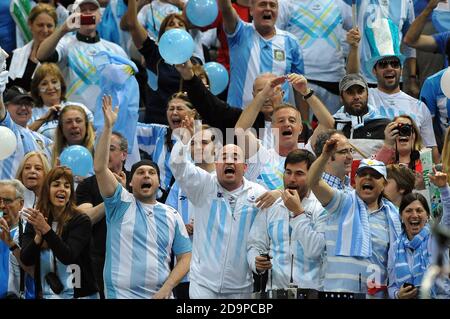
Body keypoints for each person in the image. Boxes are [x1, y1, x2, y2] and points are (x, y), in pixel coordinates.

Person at [94, 95, 191, 299]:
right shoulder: (119, 204)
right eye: (140, 172)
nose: (146, 175)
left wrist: (167, 289)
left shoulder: (171, 214)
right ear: (130, 181)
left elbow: (185, 256)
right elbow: (100, 168)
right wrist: (108, 127)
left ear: (158, 183)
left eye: (151, 173)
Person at [170, 128, 267, 298]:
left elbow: (257, 241)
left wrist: (278, 193)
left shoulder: (258, 194)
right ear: (216, 165)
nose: (229, 162)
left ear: (245, 167)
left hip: (241, 288)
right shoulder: (204, 185)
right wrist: (183, 142)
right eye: (223, 157)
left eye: (235, 158)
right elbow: (178, 167)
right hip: (203, 284)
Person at [307, 138, 402, 297]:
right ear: (355, 180)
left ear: (384, 184)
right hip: (337, 294)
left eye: (375, 175)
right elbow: (313, 181)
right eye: (363, 174)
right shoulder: (342, 202)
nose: (368, 178)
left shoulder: (394, 217)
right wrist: (325, 156)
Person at [347, 27, 438, 162]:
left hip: (408, 174)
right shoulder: (365, 98)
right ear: (374, 71)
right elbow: (352, 78)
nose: (389, 67)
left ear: (401, 69)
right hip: (373, 171)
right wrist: (354, 47)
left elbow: (430, 149)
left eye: (394, 64)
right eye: (383, 64)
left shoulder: (419, 107)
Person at [235, 73, 335, 191]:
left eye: (292, 120)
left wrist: (306, 91)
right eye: (281, 121)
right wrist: (263, 94)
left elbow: (328, 125)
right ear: (272, 128)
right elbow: (241, 130)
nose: (287, 124)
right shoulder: (262, 157)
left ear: (301, 128)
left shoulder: (309, 154)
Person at [247, 149, 327, 290]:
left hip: (312, 292)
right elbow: (254, 245)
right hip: (275, 291)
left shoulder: (322, 208)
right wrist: (256, 262)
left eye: (299, 173)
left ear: (312, 176)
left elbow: (316, 250)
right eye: (288, 172)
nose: (291, 179)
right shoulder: (271, 206)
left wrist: (297, 213)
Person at [20, 166, 99, 299]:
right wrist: (38, 239)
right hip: (46, 294)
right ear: (47, 190)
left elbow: (68, 256)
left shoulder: (80, 220)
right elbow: (26, 260)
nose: (62, 189)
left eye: (67, 186)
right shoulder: (36, 220)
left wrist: (46, 230)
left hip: (80, 295)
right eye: (56, 184)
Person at [36, 0, 128, 112]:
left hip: (106, 118)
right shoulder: (65, 45)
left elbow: (126, 88)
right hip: (74, 120)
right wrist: (63, 29)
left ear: (100, 16)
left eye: (92, 9)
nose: (88, 13)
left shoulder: (115, 50)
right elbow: (41, 55)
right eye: (83, 10)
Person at [123, 0, 202, 124]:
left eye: (180, 24)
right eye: (171, 24)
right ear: (163, 34)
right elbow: (132, 24)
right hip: (158, 123)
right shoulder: (154, 54)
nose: (176, 26)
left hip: (187, 125)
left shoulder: (196, 62)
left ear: (187, 33)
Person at [218, 0, 304, 109]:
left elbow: (300, 87)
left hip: (277, 120)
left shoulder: (291, 41)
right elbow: (226, 9)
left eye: (273, 5)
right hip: (239, 117)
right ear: (251, 10)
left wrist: (305, 121)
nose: (268, 8)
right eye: (262, 4)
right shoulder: (240, 32)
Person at [176, 61, 283, 148]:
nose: (267, 97)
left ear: (282, 94)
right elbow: (211, 106)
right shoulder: (238, 119)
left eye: (272, 91)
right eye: (262, 92)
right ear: (254, 96)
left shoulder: (292, 122)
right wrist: (189, 76)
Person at [166, 123, 217, 299]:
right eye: (193, 143)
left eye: (204, 142)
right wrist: (181, 228)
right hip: (184, 272)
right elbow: (167, 219)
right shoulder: (178, 186)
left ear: (216, 148)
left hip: (218, 273)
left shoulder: (226, 182)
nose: (198, 147)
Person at [76, 131, 129, 299]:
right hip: (98, 259)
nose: (105, 153)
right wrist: (114, 197)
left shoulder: (139, 177)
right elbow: (85, 219)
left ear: (124, 154)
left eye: (110, 148)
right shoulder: (86, 185)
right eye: (102, 149)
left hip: (132, 258)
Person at [276, 0, 352, 115]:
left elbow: (356, 30)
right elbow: (275, 36)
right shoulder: (285, 3)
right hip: (301, 80)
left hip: (335, 78)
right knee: (303, 130)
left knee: (334, 129)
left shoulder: (340, 4)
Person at [387, 172, 450, 299]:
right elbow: (392, 285)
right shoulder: (395, 247)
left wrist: (444, 189)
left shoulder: (436, 238)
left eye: (419, 210)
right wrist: (398, 295)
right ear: (401, 217)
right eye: (408, 211)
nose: (414, 215)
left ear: (427, 216)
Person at [344, 0, 418, 96]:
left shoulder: (406, 2)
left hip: (393, 76)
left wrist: (412, 77)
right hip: (364, 77)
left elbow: (410, 42)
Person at [136, 92, 197, 201]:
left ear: (193, 113)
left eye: (179, 108)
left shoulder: (204, 138)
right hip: (160, 201)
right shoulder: (159, 134)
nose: (174, 112)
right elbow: (129, 129)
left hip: (190, 201)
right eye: (171, 108)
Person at [28, 63, 93, 140]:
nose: (51, 87)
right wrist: (44, 118)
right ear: (37, 90)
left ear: (61, 85)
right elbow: (25, 136)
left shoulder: (80, 108)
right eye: (44, 84)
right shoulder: (30, 114)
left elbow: (91, 137)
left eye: (54, 82)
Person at [0, 85, 52, 180]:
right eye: (18, 103)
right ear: (6, 106)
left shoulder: (43, 140)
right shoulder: (7, 128)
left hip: (33, 194)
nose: (23, 107)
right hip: (7, 192)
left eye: (27, 104)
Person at [6, 3, 57, 91]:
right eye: (40, 25)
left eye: (49, 26)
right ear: (30, 25)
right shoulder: (14, 56)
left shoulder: (59, 57)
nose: (45, 30)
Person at [0, 179, 35, 299]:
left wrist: (12, 244)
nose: (2, 206)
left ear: (21, 204)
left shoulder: (30, 233)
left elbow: (35, 272)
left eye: (7, 201)